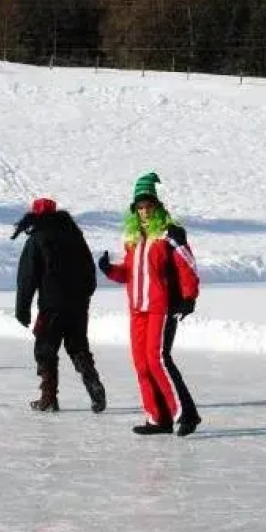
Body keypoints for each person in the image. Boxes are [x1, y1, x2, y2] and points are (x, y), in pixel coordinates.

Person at [99, 172, 201, 436]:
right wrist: (110, 270)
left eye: (148, 206)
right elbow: (129, 274)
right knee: (141, 363)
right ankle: (158, 418)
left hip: (160, 306)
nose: (144, 211)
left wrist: (189, 297)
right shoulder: (134, 238)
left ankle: (185, 413)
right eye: (140, 207)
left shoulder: (169, 234)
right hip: (137, 308)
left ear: (156, 206)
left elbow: (187, 265)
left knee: (157, 359)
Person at [13, 198, 106, 413]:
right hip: (78, 305)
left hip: (51, 306)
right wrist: (84, 297)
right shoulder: (75, 235)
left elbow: (27, 277)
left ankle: (48, 397)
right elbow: (90, 271)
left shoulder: (37, 238)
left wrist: (22, 309)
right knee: (78, 348)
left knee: (45, 349)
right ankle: (93, 384)